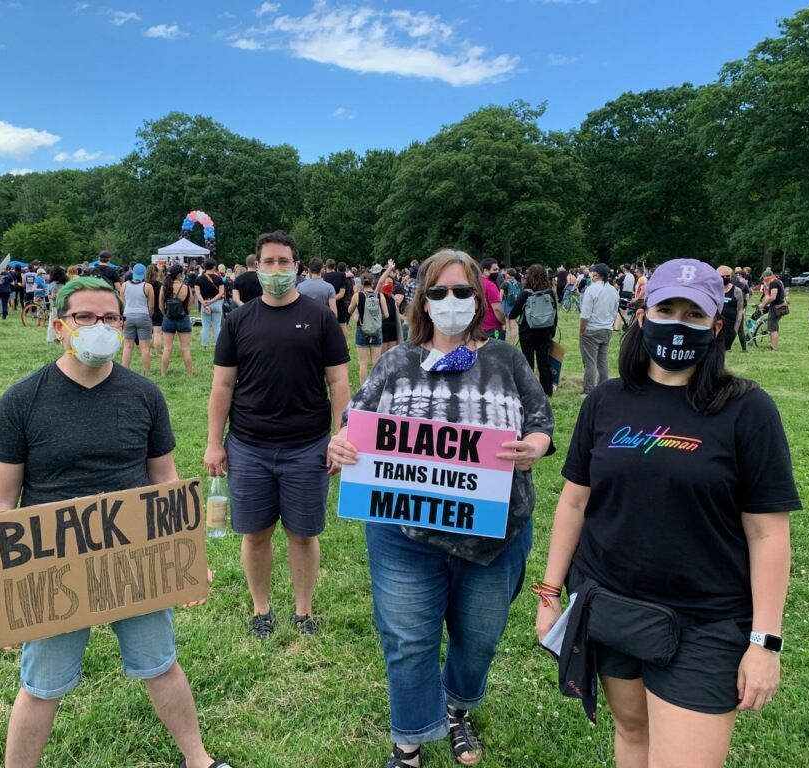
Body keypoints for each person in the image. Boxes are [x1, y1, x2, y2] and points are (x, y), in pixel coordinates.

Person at [536, 258, 799, 768]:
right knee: (632, 734)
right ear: (641, 316)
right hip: (610, 604)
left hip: (705, 623)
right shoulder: (606, 401)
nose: (678, 322)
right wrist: (549, 594)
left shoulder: (747, 409)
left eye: (694, 315)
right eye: (666, 308)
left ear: (716, 326)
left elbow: (769, 535)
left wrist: (765, 641)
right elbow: (573, 502)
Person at [0, 276, 233, 768]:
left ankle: (199, 761)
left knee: (161, 666)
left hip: (135, 555)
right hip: (52, 562)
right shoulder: (20, 402)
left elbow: (165, 481)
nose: (100, 326)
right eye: (85, 318)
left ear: (124, 324)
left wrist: (188, 556)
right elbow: (0, 504)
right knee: (41, 687)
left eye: (110, 318)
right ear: (59, 327)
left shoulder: (144, 395)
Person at [328, 248, 554, 768]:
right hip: (405, 533)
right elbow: (355, 416)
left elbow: (541, 418)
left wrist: (536, 444)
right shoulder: (396, 361)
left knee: (478, 641)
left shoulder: (506, 358)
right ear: (422, 300)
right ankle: (408, 742)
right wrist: (340, 441)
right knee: (408, 640)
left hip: (496, 530)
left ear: (479, 299)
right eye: (438, 292)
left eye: (462, 292)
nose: (450, 301)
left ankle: (456, 708)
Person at [203, 231, 350, 640]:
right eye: (268, 262)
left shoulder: (321, 318)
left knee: (303, 534)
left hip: (309, 446)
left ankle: (303, 612)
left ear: (297, 266)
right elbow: (222, 388)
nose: (276, 269)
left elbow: (339, 384)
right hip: (248, 446)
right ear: (257, 267)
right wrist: (215, 442)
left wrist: (340, 436)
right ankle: (260, 609)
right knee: (256, 533)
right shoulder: (239, 321)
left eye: (284, 261)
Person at [509, 264, 558, 396]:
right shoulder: (549, 292)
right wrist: (552, 331)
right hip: (545, 331)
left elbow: (513, 314)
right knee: (544, 362)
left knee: (528, 362)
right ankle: (547, 391)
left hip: (527, 332)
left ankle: (530, 392)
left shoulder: (525, 294)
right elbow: (555, 313)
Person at [579, 263, 619, 395]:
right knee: (602, 361)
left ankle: (588, 391)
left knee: (590, 362)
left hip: (591, 329)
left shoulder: (591, 289)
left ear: (596, 275)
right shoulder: (613, 290)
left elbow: (585, 314)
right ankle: (603, 388)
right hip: (606, 329)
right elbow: (614, 311)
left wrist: (582, 330)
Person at [352, 273, 389, 383]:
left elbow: (349, 310)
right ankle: (376, 387)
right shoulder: (379, 295)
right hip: (376, 330)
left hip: (362, 329)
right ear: (373, 282)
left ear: (362, 283)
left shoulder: (357, 295)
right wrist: (375, 319)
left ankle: (363, 390)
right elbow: (386, 314)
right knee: (376, 362)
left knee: (363, 363)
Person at [159, 264, 194, 377]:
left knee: (167, 349)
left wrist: (166, 314)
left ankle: (163, 373)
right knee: (185, 349)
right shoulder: (187, 288)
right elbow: (189, 306)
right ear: (179, 274)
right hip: (183, 319)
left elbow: (160, 305)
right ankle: (189, 374)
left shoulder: (164, 287)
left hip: (168, 318)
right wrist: (185, 314)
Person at [121, 263, 155, 375]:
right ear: (144, 274)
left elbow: (123, 301)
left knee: (127, 346)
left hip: (128, 316)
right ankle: (148, 371)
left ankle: (124, 370)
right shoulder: (148, 286)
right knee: (145, 347)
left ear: (133, 272)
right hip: (143, 315)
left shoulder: (124, 285)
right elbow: (151, 306)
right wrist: (149, 316)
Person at [196, 259, 226, 352]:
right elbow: (221, 293)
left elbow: (197, 293)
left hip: (205, 303)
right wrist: (212, 301)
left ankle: (204, 347)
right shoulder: (219, 279)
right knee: (217, 326)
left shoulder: (199, 279)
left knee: (205, 326)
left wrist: (204, 303)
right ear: (214, 267)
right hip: (216, 304)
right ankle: (217, 347)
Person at [756, 268, 787, 352]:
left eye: (764, 278)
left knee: (773, 329)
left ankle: (773, 348)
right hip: (780, 306)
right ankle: (772, 345)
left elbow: (772, 297)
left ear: (767, 276)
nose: (763, 280)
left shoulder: (773, 283)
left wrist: (763, 304)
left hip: (776, 307)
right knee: (773, 327)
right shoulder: (778, 282)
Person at [717, 265, 745, 352]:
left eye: (727, 276)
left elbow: (740, 310)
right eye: (722, 276)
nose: (725, 278)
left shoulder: (737, 291)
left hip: (731, 325)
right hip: (717, 324)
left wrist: (736, 328)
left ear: (731, 276)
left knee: (726, 349)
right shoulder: (715, 290)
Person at [478, 258, 506, 339]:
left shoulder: (476, 283)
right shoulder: (490, 285)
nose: (497, 272)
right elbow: (497, 309)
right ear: (485, 270)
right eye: (494, 269)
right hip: (492, 329)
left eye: (498, 269)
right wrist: (504, 322)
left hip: (478, 328)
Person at [501, 268, 522, 346]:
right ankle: (512, 344)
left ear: (508, 274)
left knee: (504, 325)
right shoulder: (519, 284)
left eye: (506, 273)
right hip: (515, 307)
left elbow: (500, 297)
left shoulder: (505, 283)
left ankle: (503, 343)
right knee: (513, 326)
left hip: (505, 306)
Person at [147, 264, 165, 355]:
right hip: (158, 310)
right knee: (157, 333)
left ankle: (148, 351)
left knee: (147, 334)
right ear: (157, 273)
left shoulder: (144, 284)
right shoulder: (160, 285)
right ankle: (158, 352)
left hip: (146, 311)